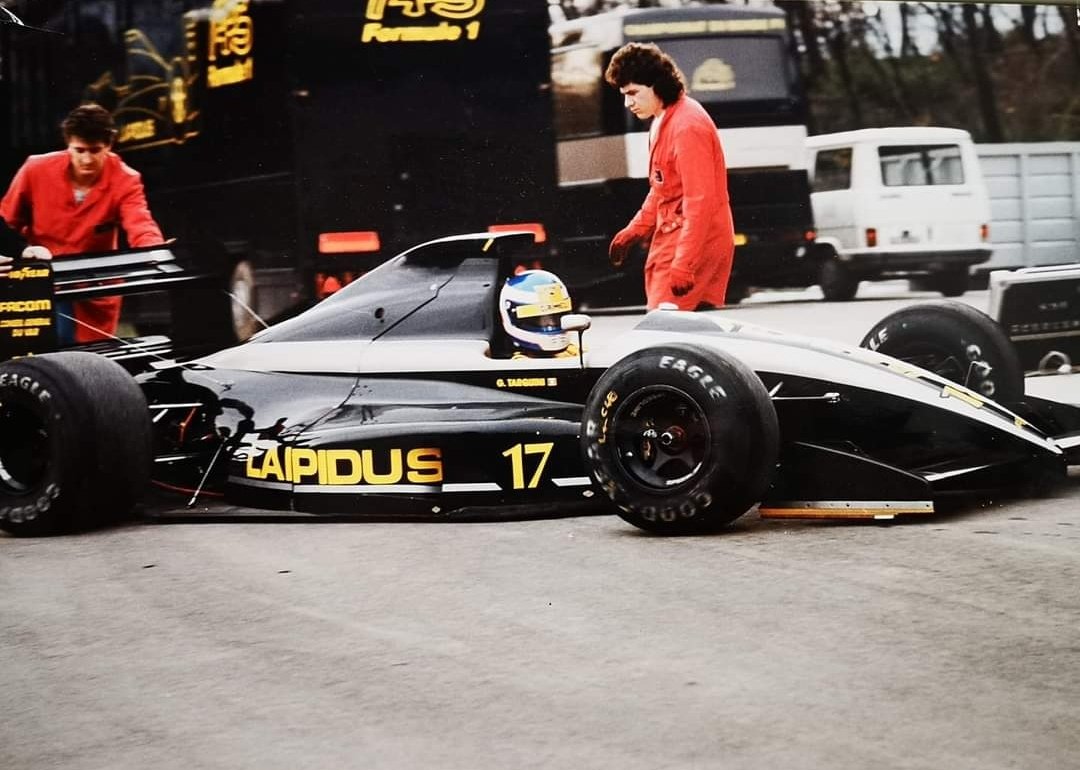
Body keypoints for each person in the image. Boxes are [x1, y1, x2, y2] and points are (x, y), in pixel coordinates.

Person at [0, 103, 164, 342]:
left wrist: (155, 251)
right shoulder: (35, 169)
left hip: (93, 288)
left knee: (90, 361)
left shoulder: (126, 179)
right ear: (68, 144)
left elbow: (140, 222)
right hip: (44, 280)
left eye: (95, 150)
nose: (87, 159)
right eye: (79, 150)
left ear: (109, 145)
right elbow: (6, 221)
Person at [605, 42, 735, 311]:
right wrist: (636, 229)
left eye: (633, 93)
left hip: (693, 243)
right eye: (624, 94)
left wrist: (684, 263)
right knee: (682, 333)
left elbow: (700, 201)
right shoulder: (664, 119)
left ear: (657, 85)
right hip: (679, 240)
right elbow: (663, 187)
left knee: (666, 330)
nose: (627, 103)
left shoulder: (686, 126)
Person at [498, 269, 580, 359]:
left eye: (556, 317)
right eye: (540, 319)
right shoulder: (517, 365)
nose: (551, 323)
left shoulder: (575, 353)